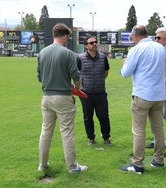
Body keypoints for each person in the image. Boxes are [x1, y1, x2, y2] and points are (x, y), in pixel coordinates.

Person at [37, 23, 88, 173]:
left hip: (46, 97)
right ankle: (72, 167)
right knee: (66, 132)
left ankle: (42, 164)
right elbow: (75, 76)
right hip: (63, 97)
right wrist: (77, 88)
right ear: (65, 36)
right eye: (68, 37)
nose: (68, 40)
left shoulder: (42, 53)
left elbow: (40, 77)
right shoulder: (68, 53)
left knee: (46, 131)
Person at [119, 25, 166, 174]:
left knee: (139, 130)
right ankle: (159, 160)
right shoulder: (160, 48)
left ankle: (137, 164)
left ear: (135, 36)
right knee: (158, 129)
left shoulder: (135, 50)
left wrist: (125, 64)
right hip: (159, 94)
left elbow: (126, 73)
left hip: (142, 94)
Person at [76, 35, 112, 146]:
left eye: (95, 42)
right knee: (88, 117)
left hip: (100, 93)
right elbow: (76, 73)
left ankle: (106, 138)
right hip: (85, 93)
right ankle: (91, 138)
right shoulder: (80, 58)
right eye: (91, 43)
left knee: (104, 117)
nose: (95, 44)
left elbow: (106, 72)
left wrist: (98, 81)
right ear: (86, 46)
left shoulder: (103, 57)